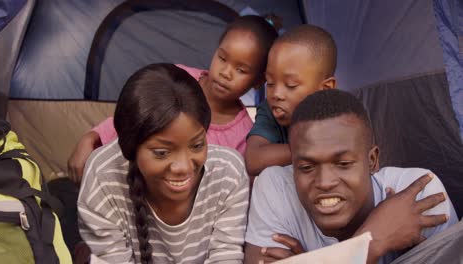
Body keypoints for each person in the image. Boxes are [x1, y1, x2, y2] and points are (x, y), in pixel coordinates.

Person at [244, 89, 458, 264]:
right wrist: (371, 242)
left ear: (372, 160)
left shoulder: (418, 194)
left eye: (343, 164)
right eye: (307, 167)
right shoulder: (275, 187)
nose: (325, 182)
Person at [68, 15, 278, 185]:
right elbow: (129, 118)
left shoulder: (243, 136)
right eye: (222, 58)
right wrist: (91, 138)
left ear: (258, 81)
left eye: (241, 70)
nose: (226, 72)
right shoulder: (176, 78)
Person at [78, 64, 249, 263]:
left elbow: (226, 257)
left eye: (197, 145)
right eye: (162, 152)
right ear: (131, 148)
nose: (183, 167)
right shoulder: (103, 176)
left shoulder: (228, 172)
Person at [245, 24, 337, 176]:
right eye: (271, 83)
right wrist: (312, 149)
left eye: (291, 85)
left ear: (325, 89)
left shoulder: (344, 117)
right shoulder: (269, 111)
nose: (276, 94)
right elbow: (254, 159)